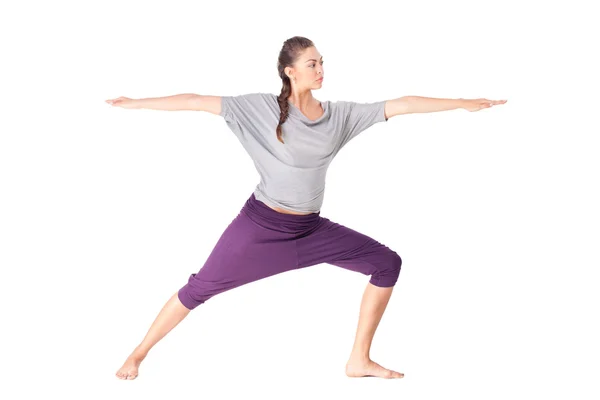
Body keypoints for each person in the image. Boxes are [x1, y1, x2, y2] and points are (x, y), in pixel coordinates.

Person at [106, 36, 506, 381]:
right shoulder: (258, 109)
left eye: (322, 63)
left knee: (387, 263)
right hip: (260, 230)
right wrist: (135, 103)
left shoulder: (340, 116)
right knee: (199, 290)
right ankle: (138, 353)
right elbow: (194, 100)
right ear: (289, 71)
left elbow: (401, 104)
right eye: (312, 64)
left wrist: (463, 103)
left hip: (311, 232)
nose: (321, 70)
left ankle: (359, 360)